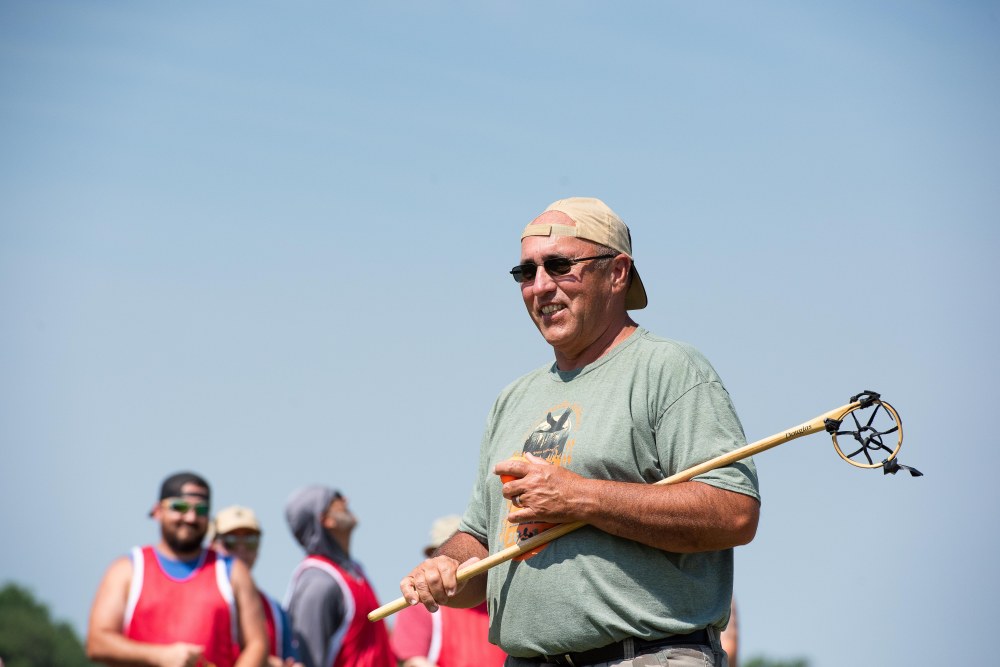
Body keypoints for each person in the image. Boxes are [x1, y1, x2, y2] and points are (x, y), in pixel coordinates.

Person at [400, 197, 761, 667]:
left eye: (559, 266)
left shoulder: (669, 368)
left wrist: (581, 498)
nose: (540, 286)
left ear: (617, 273)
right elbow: (483, 540)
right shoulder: (513, 398)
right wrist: (446, 567)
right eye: (526, 273)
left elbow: (734, 513)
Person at [87, 471, 268, 667]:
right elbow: (97, 643)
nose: (190, 517)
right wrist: (159, 657)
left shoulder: (232, 571)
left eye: (201, 510)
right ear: (158, 511)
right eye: (179, 507)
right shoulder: (127, 570)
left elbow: (257, 644)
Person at [283, 485, 394, 667]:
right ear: (325, 519)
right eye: (336, 499)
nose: (346, 501)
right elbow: (307, 660)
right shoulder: (318, 582)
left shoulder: (355, 572)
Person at [390, 515, 507, 667]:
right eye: (439, 555)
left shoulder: (497, 599)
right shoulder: (421, 603)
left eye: (455, 555)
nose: (445, 564)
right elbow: (413, 661)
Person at [211, 505, 303, 667]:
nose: (241, 549)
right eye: (230, 541)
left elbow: (289, 659)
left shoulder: (275, 610)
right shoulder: (198, 596)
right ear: (212, 544)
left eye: (251, 541)